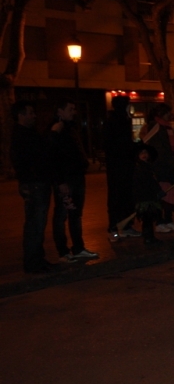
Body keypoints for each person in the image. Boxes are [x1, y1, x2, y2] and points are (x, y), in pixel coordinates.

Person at [49, 101, 99, 263]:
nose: (74, 112)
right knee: (62, 215)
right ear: (60, 111)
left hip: (76, 177)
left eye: (74, 109)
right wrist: (60, 180)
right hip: (67, 179)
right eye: (70, 109)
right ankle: (63, 251)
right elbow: (54, 157)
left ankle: (78, 248)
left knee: (75, 214)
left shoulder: (70, 128)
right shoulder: (56, 130)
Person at [10, 101, 55, 273]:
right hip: (35, 184)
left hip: (36, 182)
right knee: (35, 224)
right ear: (21, 115)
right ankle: (33, 263)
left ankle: (37, 260)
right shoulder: (22, 135)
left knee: (37, 224)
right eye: (30, 113)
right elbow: (31, 158)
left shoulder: (27, 133)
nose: (34, 116)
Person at [103, 94, 140, 242]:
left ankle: (119, 226)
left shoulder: (115, 120)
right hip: (121, 166)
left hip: (118, 166)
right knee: (121, 197)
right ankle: (119, 227)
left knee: (119, 197)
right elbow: (122, 145)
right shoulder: (119, 121)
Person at [141, 103, 174, 233]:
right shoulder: (156, 126)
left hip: (169, 166)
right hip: (160, 167)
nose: (171, 114)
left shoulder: (167, 127)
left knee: (169, 194)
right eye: (169, 112)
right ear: (162, 113)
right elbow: (156, 148)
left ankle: (168, 220)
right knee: (160, 194)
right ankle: (159, 221)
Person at [132, 141, 164, 245]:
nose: (144, 155)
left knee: (149, 219)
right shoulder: (141, 168)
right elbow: (149, 182)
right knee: (147, 219)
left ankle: (149, 237)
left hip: (148, 197)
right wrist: (158, 191)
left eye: (145, 152)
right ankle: (148, 237)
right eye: (141, 153)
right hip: (145, 199)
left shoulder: (147, 166)